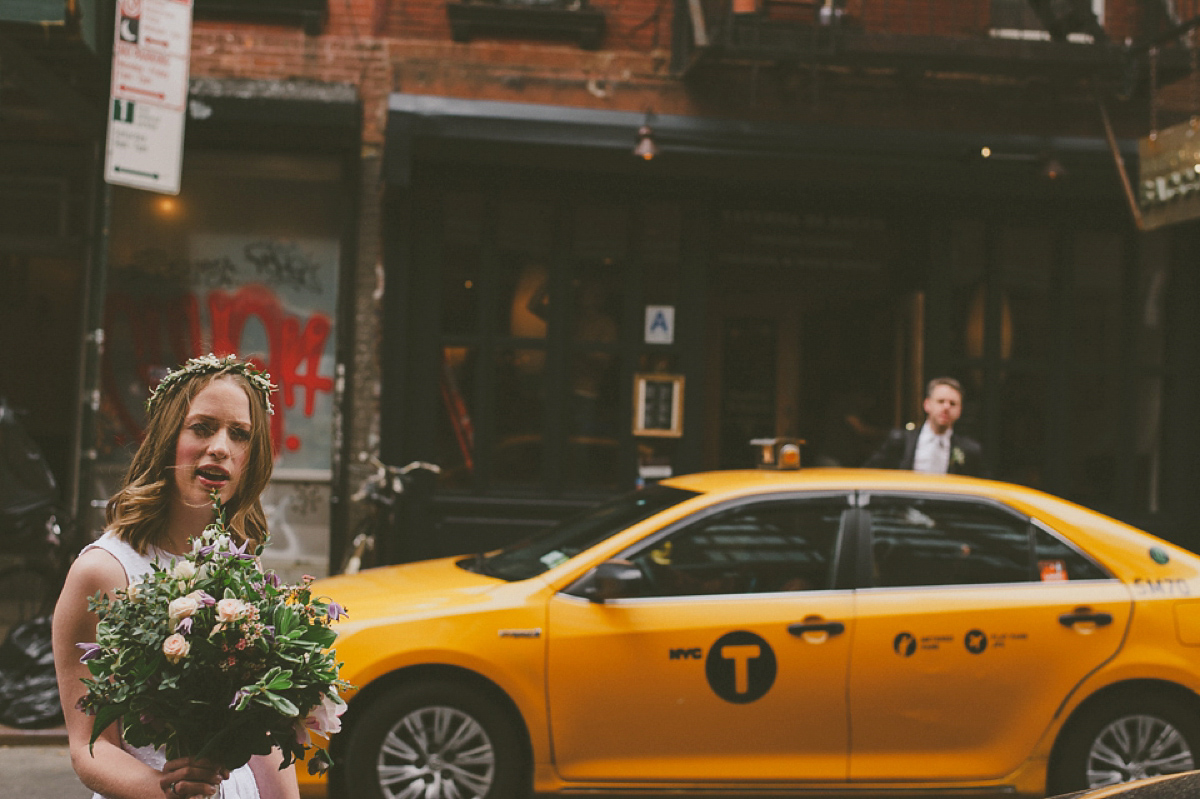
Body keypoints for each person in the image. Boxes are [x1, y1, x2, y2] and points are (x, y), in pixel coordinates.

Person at [52, 355, 298, 799]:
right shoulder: (103, 572)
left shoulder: (243, 568)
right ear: (168, 440)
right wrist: (169, 792)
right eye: (202, 427)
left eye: (238, 434)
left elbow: (260, 735)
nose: (221, 446)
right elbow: (89, 747)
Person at [865, 376, 985, 477]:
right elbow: (871, 474)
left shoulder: (970, 450)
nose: (946, 407)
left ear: (960, 410)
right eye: (940, 401)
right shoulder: (900, 441)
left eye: (952, 403)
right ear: (927, 405)